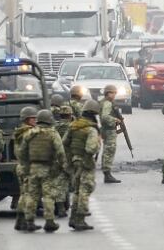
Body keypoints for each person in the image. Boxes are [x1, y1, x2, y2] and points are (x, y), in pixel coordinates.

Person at [18, 109, 68, 233]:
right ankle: (49, 221)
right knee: (48, 196)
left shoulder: (29, 133)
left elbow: (22, 152)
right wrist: (64, 166)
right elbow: (60, 152)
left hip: (33, 168)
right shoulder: (52, 133)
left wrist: (25, 167)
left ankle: (29, 221)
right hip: (48, 169)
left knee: (32, 195)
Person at [64, 99, 101, 231]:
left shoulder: (74, 125)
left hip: (75, 161)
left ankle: (73, 219)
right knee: (86, 189)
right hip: (86, 163)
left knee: (78, 191)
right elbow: (91, 148)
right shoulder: (91, 129)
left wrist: (70, 159)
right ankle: (80, 219)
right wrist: (96, 146)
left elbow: (65, 142)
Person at [12, 105, 38, 231]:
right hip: (27, 166)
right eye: (32, 119)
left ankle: (20, 221)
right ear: (26, 119)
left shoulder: (20, 131)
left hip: (21, 166)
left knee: (24, 194)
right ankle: (28, 221)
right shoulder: (29, 132)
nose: (35, 120)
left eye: (35, 118)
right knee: (29, 195)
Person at [53, 104, 75, 218]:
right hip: (70, 158)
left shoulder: (54, 127)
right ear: (70, 115)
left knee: (59, 183)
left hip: (57, 158)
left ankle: (60, 207)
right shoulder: (73, 127)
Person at [98, 84, 121, 184]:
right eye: (113, 93)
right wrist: (115, 119)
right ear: (108, 93)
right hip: (109, 130)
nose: (114, 95)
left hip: (106, 130)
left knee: (107, 150)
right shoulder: (107, 103)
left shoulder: (105, 102)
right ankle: (107, 174)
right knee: (109, 150)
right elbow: (105, 117)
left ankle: (107, 172)